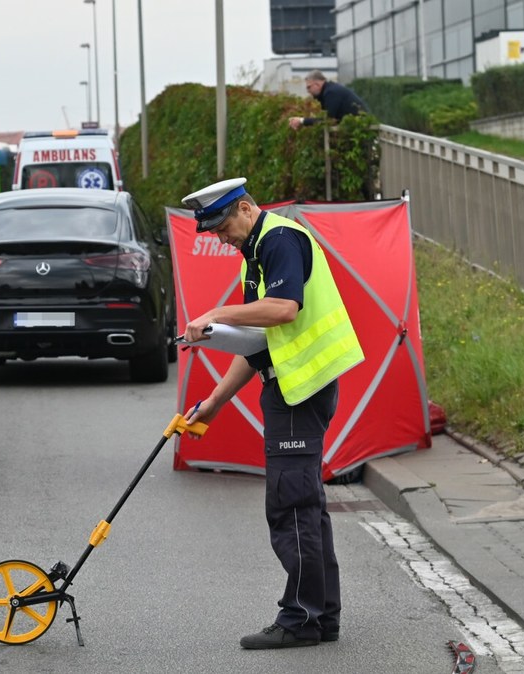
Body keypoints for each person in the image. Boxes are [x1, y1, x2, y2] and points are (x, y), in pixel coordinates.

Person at [180, 177, 364, 650]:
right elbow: (260, 344)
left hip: (300, 391)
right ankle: (321, 617)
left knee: (292, 503)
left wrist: (216, 314)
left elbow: (283, 309)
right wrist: (215, 403)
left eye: (222, 227)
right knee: (307, 508)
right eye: (213, 232)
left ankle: (301, 618)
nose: (220, 238)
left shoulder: (280, 238)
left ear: (245, 208)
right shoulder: (257, 252)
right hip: (290, 386)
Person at [288, 70, 369, 130]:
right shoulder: (328, 91)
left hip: (362, 129)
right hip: (359, 128)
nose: (308, 91)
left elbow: (328, 120)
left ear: (317, 84)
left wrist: (302, 121)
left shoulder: (331, 92)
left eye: (309, 87)